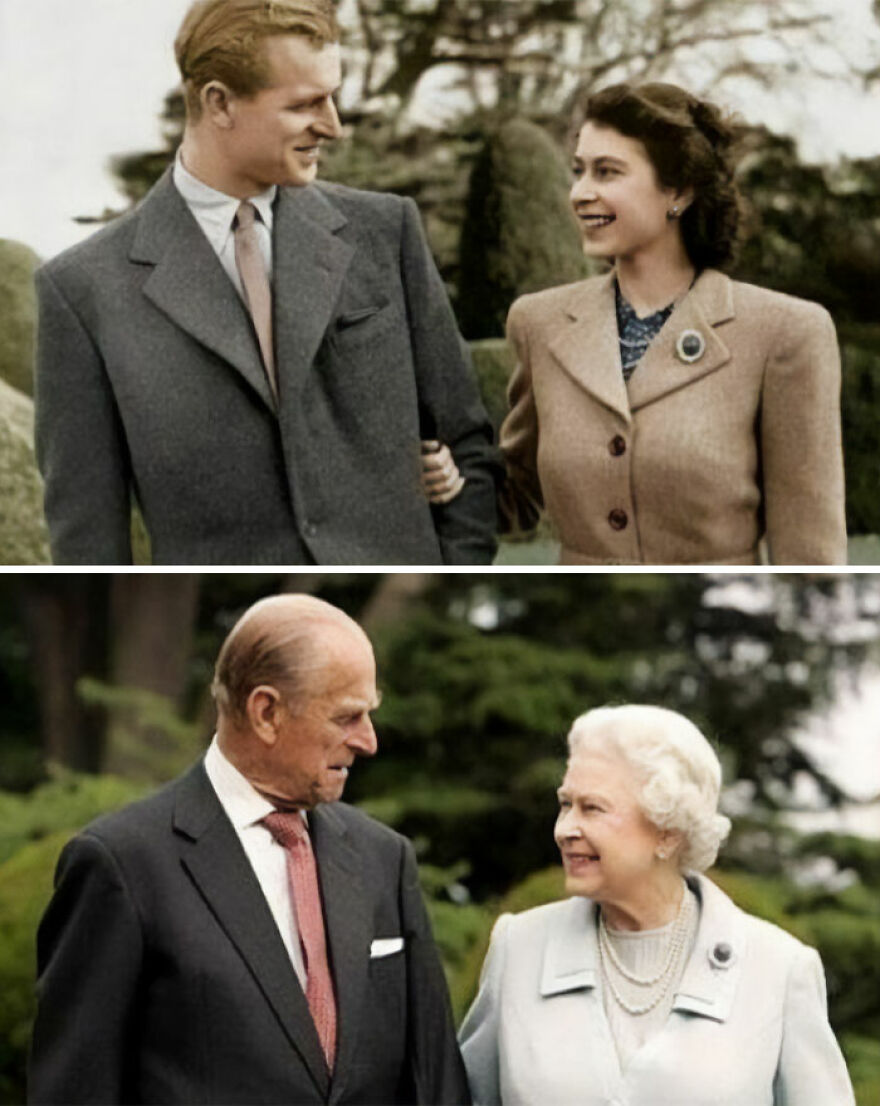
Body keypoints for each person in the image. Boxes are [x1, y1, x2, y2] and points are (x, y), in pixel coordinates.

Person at [35, 0, 498, 565]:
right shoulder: (82, 290)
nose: (333, 125)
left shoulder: (386, 231)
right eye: (304, 104)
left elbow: (468, 446)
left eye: (332, 97)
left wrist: (454, 568)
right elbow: (88, 549)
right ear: (219, 103)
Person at [28, 594, 471, 1105]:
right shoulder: (121, 865)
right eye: (347, 717)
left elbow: (436, 1084)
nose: (368, 741)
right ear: (266, 712)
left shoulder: (385, 859)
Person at [494, 82, 847, 564]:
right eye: (578, 171)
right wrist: (436, 472)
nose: (580, 193)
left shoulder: (786, 333)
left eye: (607, 172)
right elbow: (513, 499)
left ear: (678, 189)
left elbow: (809, 552)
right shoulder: (538, 322)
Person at [459, 704, 855, 1106]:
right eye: (565, 804)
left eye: (592, 808)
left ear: (667, 831)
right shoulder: (518, 948)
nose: (564, 830)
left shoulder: (778, 969)